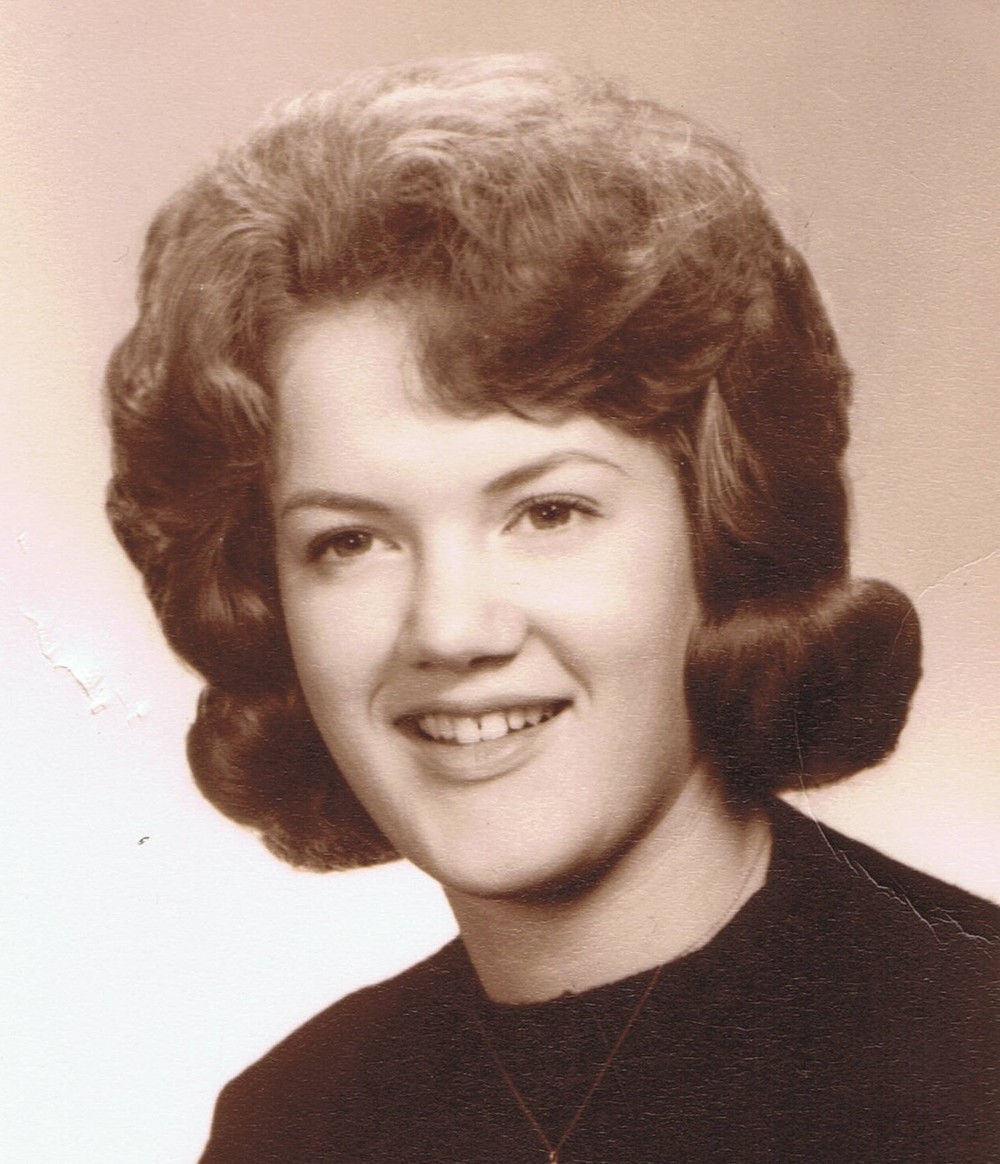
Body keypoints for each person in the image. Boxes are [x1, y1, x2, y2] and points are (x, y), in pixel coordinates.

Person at [105, 54, 998, 1163]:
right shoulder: (290, 1122)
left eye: (547, 512)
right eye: (351, 541)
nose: (449, 630)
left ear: (721, 536)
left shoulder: (970, 1051)